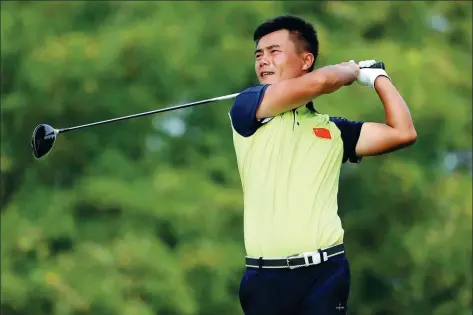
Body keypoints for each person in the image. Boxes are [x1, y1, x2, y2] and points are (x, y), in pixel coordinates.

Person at [228, 15, 417, 315]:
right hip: (265, 279)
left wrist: (378, 78)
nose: (263, 60)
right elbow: (322, 81)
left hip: (326, 272)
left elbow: (403, 133)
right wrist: (348, 70)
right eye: (259, 54)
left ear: (306, 59)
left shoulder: (334, 131)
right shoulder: (248, 107)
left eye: (274, 51)